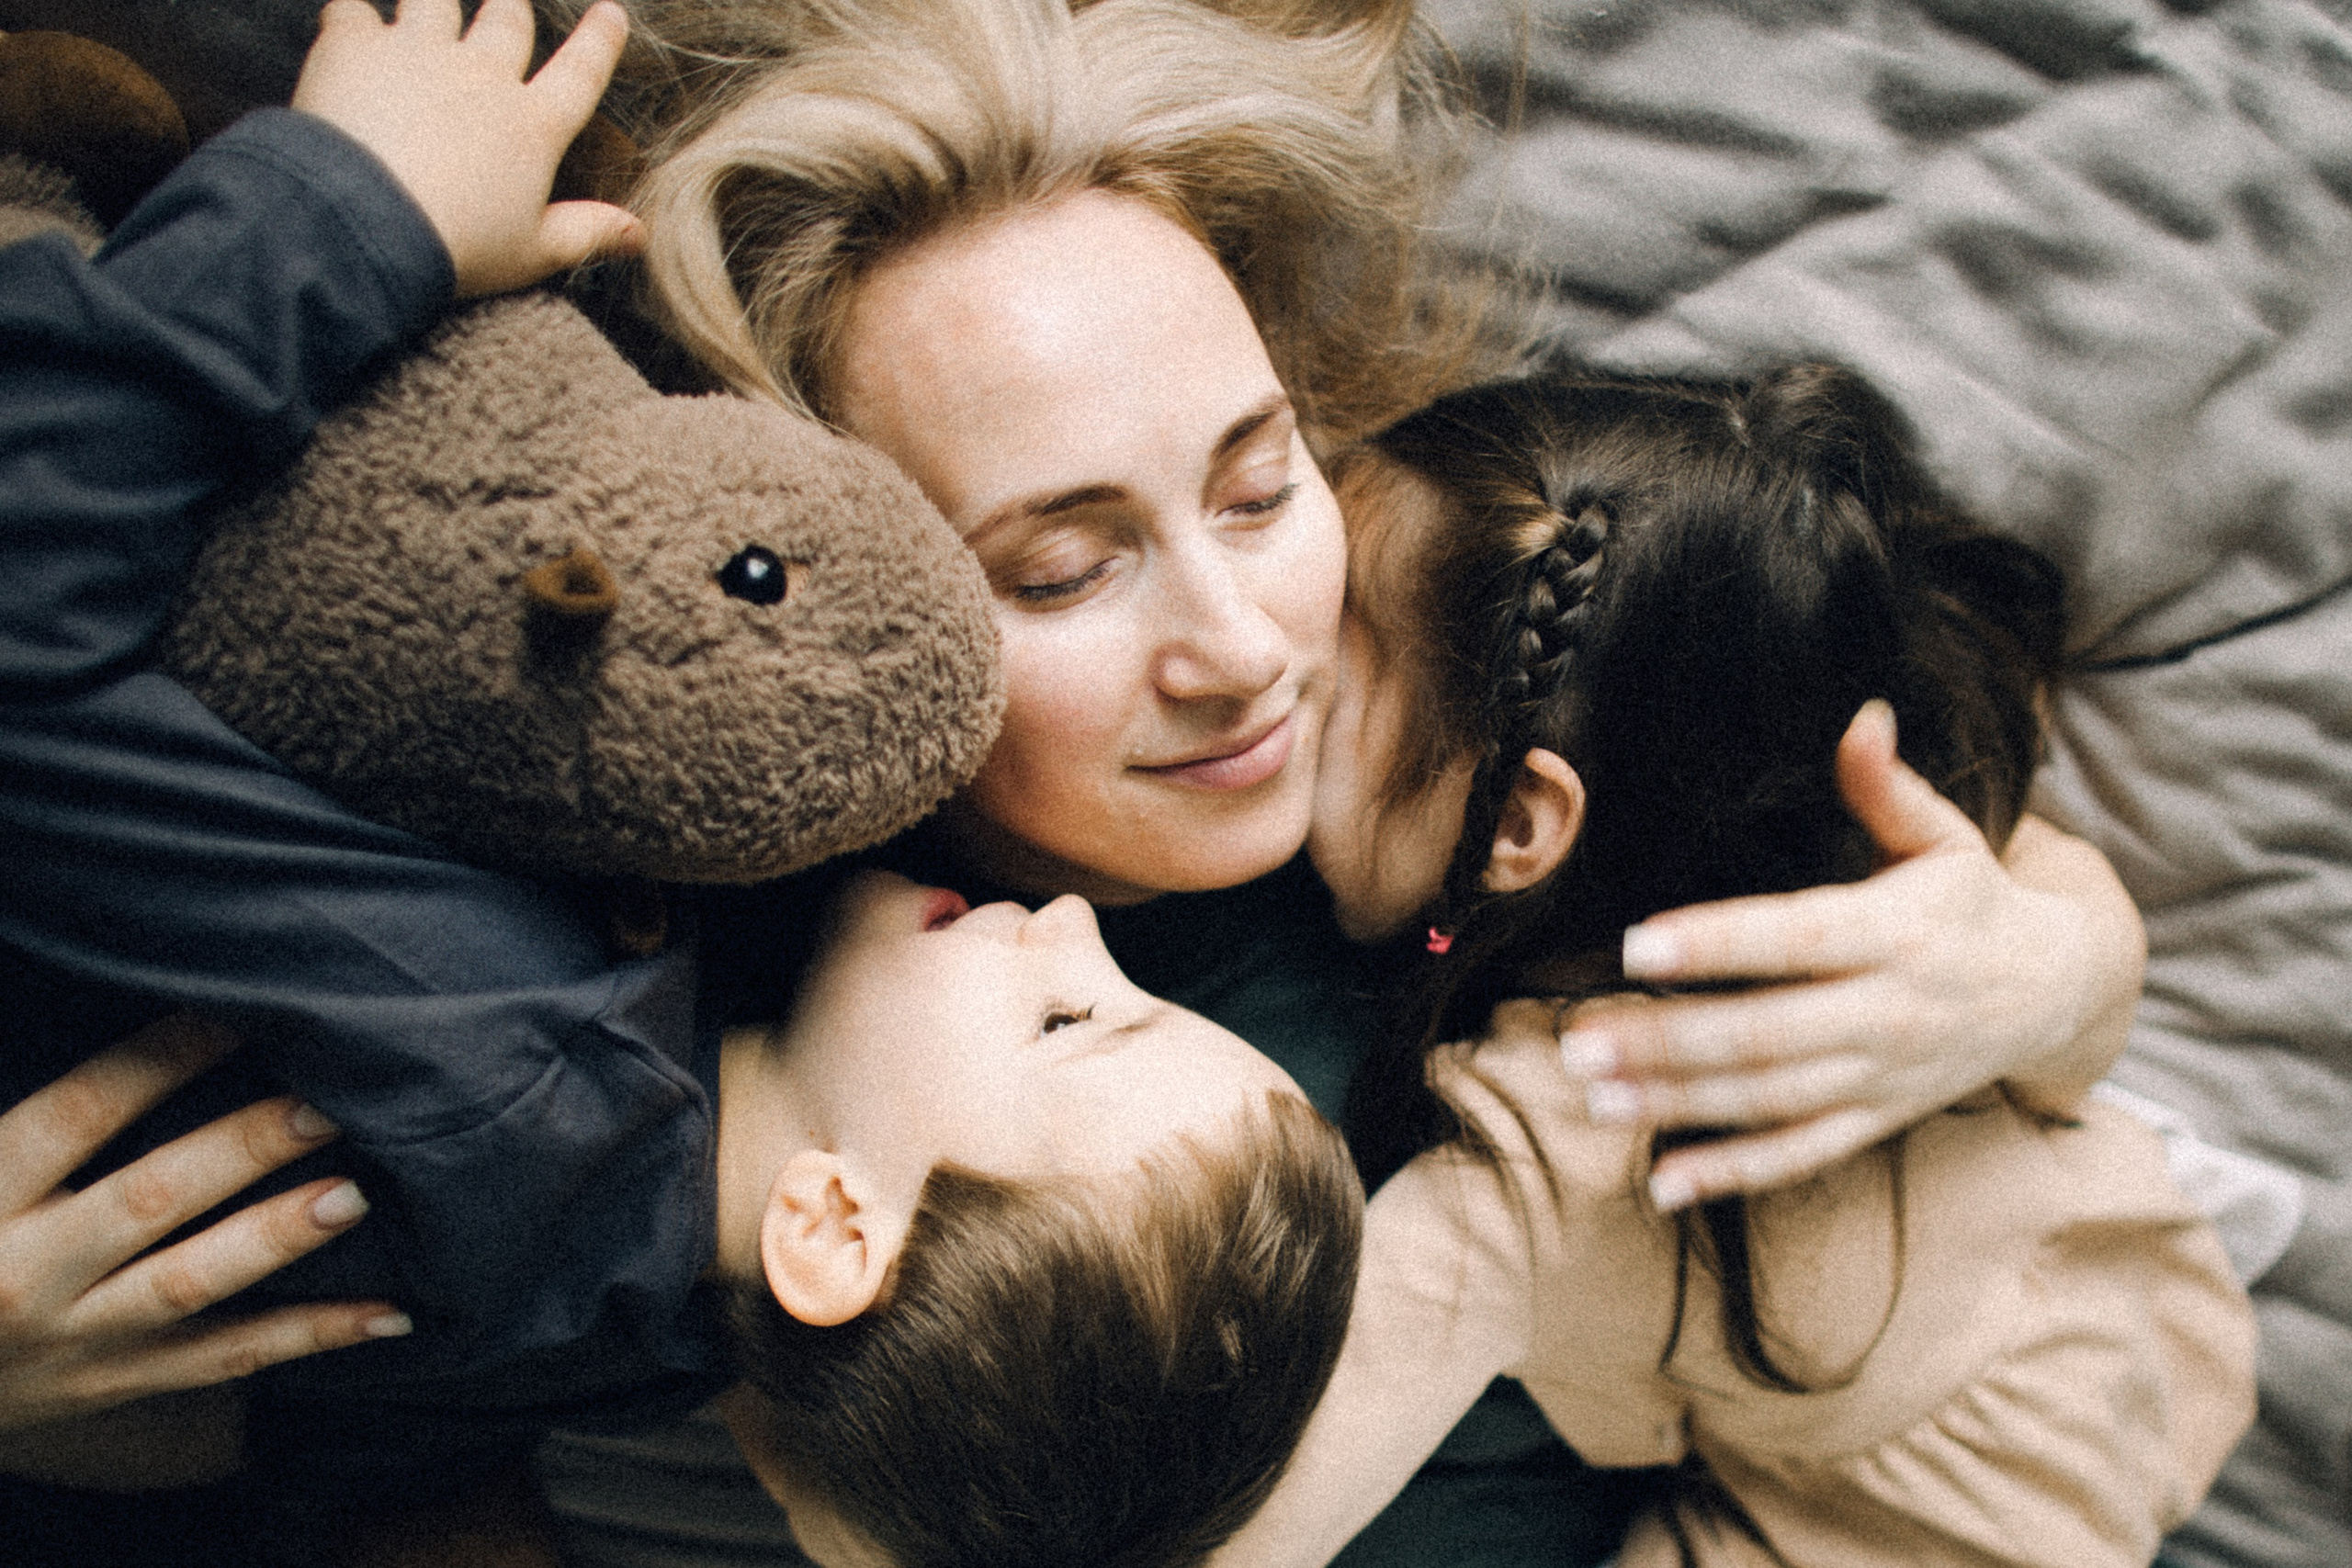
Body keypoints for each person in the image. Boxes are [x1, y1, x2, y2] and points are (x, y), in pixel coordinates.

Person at [0, 5, 1364, 1566]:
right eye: (1058, 570)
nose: (1245, 649)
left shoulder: (552, 1098)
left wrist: (335, 211)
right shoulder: (669, 1167)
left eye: (1264, 482)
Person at [1203, 366, 2256, 1567]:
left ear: (1517, 829)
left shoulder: (1566, 1128)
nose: (1267, 676)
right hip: (2094, 1252)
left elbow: (1271, 1505)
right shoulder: (1827, 811)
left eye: (1335, 695)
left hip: (1931, 1509)